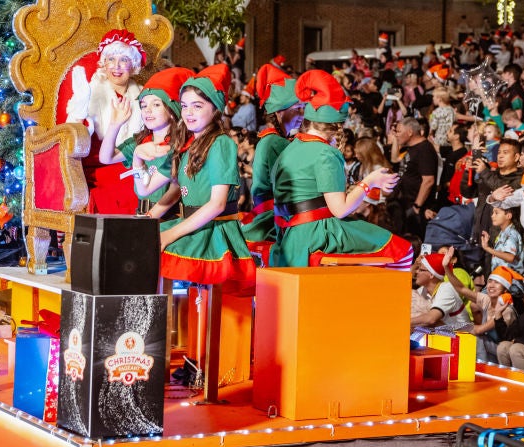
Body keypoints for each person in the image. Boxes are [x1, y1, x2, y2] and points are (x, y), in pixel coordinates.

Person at [269, 69, 411, 269]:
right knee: (402, 251)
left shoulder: (289, 149)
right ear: (337, 125)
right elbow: (340, 209)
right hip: (317, 235)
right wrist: (369, 182)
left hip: (288, 236)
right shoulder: (325, 153)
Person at [151, 64, 257, 291]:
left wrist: (170, 234)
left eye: (197, 106)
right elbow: (177, 189)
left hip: (213, 231)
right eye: (185, 106)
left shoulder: (220, 143)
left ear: (215, 110)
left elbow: (217, 204)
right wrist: (149, 218)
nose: (188, 113)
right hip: (190, 225)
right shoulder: (190, 145)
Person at [65, 29, 147, 215]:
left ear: (132, 65)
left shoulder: (143, 95)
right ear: (104, 63)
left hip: (130, 162)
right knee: (121, 191)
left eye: (123, 60)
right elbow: (73, 132)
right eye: (111, 59)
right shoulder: (90, 91)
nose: (116, 67)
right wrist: (80, 104)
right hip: (97, 167)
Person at [99, 67, 193, 219]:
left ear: (171, 110)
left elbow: (174, 192)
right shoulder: (142, 141)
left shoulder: (179, 145)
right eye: (143, 105)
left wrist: (149, 217)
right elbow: (106, 158)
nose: (147, 110)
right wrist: (114, 125)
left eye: (156, 105)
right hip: (143, 214)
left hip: (167, 218)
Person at [240, 64, 300, 245]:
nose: (302, 114)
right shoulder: (275, 142)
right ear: (280, 112)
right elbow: (285, 189)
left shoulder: (274, 139)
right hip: (271, 220)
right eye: (297, 108)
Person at [388, 117, 438, 238]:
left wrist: (416, 206)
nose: (396, 134)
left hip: (417, 207)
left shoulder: (425, 149)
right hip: (405, 204)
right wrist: (396, 138)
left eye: (399, 131)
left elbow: (428, 180)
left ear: (410, 132)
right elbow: (394, 159)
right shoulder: (410, 148)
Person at [411, 252, 470, 330]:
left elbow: (431, 319)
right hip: (444, 337)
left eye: (421, 270)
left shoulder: (447, 288)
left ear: (431, 275)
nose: (417, 272)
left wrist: (401, 322)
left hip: (464, 339)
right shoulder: (422, 290)